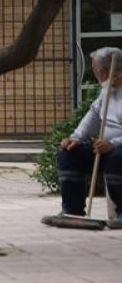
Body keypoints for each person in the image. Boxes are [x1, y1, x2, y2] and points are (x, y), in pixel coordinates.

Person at [52, 46, 122, 224]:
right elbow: (92, 116)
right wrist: (75, 138)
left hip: (117, 149)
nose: (95, 73)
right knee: (69, 154)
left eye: (96, 70)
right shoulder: (106, 91)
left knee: (116, 156)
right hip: (105, 148)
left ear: (104, 71)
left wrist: (113, 143)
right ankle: (72, 210)